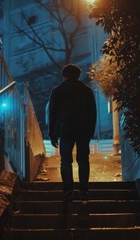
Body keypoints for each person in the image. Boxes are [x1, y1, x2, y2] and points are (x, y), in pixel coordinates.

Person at [48, 64, 96, 201]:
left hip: (65, 128)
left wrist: (52, 133)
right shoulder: (87, 91)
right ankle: (84, 191)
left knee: (66, 161)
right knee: (83, 160)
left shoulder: (57, 91)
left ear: (64, 75)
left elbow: (53, 114)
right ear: (78, 75)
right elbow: (92, 113)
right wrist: (90, 131)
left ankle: (68, 190)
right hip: (83, 129)